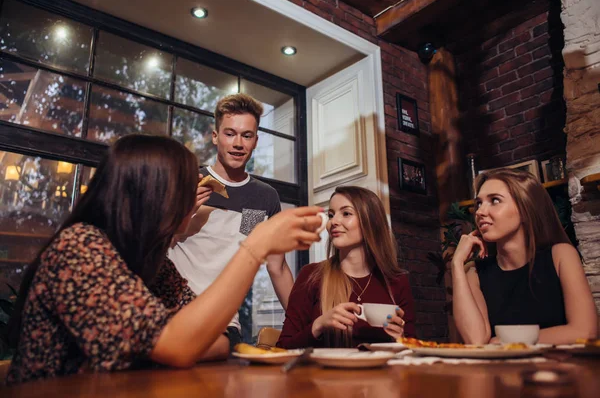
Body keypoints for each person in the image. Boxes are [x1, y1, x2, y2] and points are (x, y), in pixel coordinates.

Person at [6, 134, 324, 385]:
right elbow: (179, 344)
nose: (196, 201)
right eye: (188, 190)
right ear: (153, 196)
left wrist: (168, 346)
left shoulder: (155, 266)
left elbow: (218, 339)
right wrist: (255, 248)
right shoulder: (80, 248)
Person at [168, 93, 292, 342]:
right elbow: (154, 244)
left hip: (224, 323)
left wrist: (306, 322)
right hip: (173, 313)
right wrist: (185, 208)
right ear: (215, 136)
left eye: (246, 135)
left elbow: (276, 267)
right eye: (230, 133)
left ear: (255, 141)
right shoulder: (187, 181)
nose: (238, 143)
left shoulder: (263, 198)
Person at [452, 168, 597, 345]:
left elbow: (586, 331)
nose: (480, 212)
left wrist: (506, 342)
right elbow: (476, 341)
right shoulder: (475, 273)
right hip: (502, 372)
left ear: (525, 209)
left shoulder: (561, 255)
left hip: (560, 370)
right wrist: (457, 264)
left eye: (495, 200)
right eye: (479, 203)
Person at [277, 186, 416, 349]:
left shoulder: (397, 281)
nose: (333, 222)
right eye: (331, 215)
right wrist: (318, 326)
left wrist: (401, 339)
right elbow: (283, 348)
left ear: (370, 222)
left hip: (380, 374)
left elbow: (412, 350)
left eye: (346, 213)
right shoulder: (311, 275)